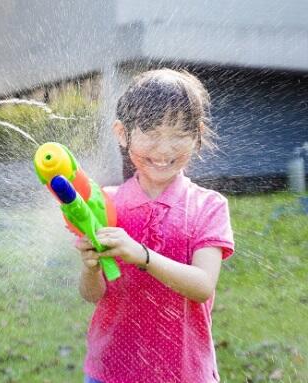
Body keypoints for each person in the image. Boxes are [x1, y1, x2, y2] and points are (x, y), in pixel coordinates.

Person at [78, 69, 234, 383]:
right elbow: (93, 295)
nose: (164, 149)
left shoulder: (208, 206)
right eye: (150, 130)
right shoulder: (106, 205)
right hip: (110, 372)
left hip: (184, 373)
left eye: (179, 133)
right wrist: (92, 267)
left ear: (198, 134)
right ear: (123, 133)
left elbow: (203, 286)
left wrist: (143, 256)